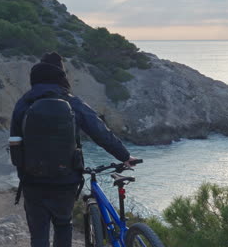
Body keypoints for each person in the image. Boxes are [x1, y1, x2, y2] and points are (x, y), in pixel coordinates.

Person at [10, 52, 137, 247]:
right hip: (66, 179)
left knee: (38, 234)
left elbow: (15, 143)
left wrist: (24, 174)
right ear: (61, 76)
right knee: (63, 225)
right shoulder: (71, 101)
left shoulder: (24, 103)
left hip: (32, 180)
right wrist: (124, 155)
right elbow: (100, 131)